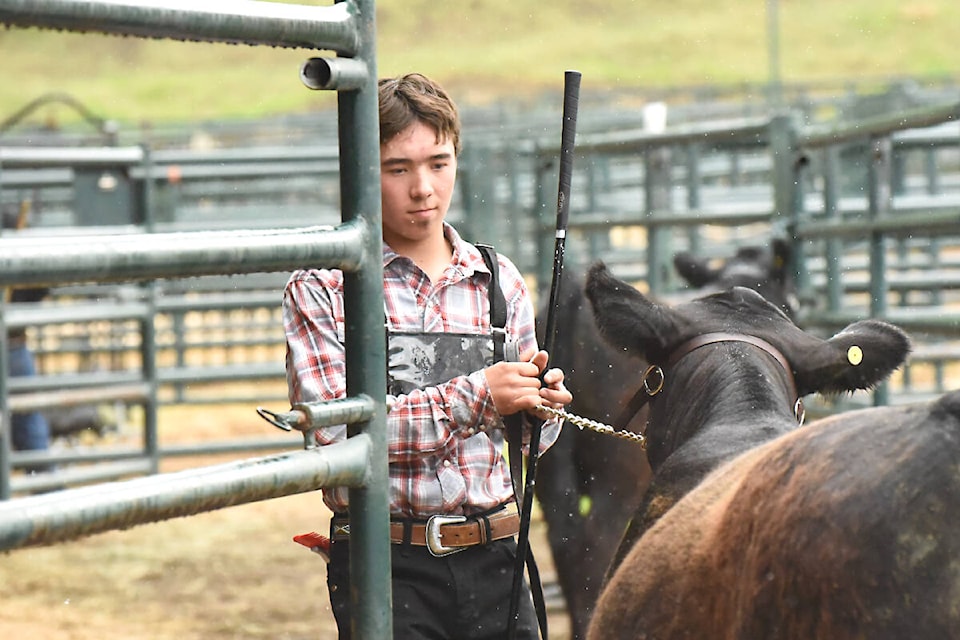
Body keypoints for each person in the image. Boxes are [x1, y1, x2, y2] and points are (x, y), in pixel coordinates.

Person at [282, 73, 572, 639]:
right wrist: (479, 396)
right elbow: (338, 440)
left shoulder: (497, 280)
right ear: (365, 169)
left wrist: (541, 409)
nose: (423, 189)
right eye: (399, 169)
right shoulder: (324, 286)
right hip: (386, 563)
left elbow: (525, 442)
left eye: (438, 163)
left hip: (497, 555)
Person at [3, 208, 53, 472]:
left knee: (29, 427)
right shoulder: (15, 224)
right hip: (14, 344)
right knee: (30, 429)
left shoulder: (15, 223)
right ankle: (50, 499)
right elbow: (41, 287)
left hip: (13, 344)